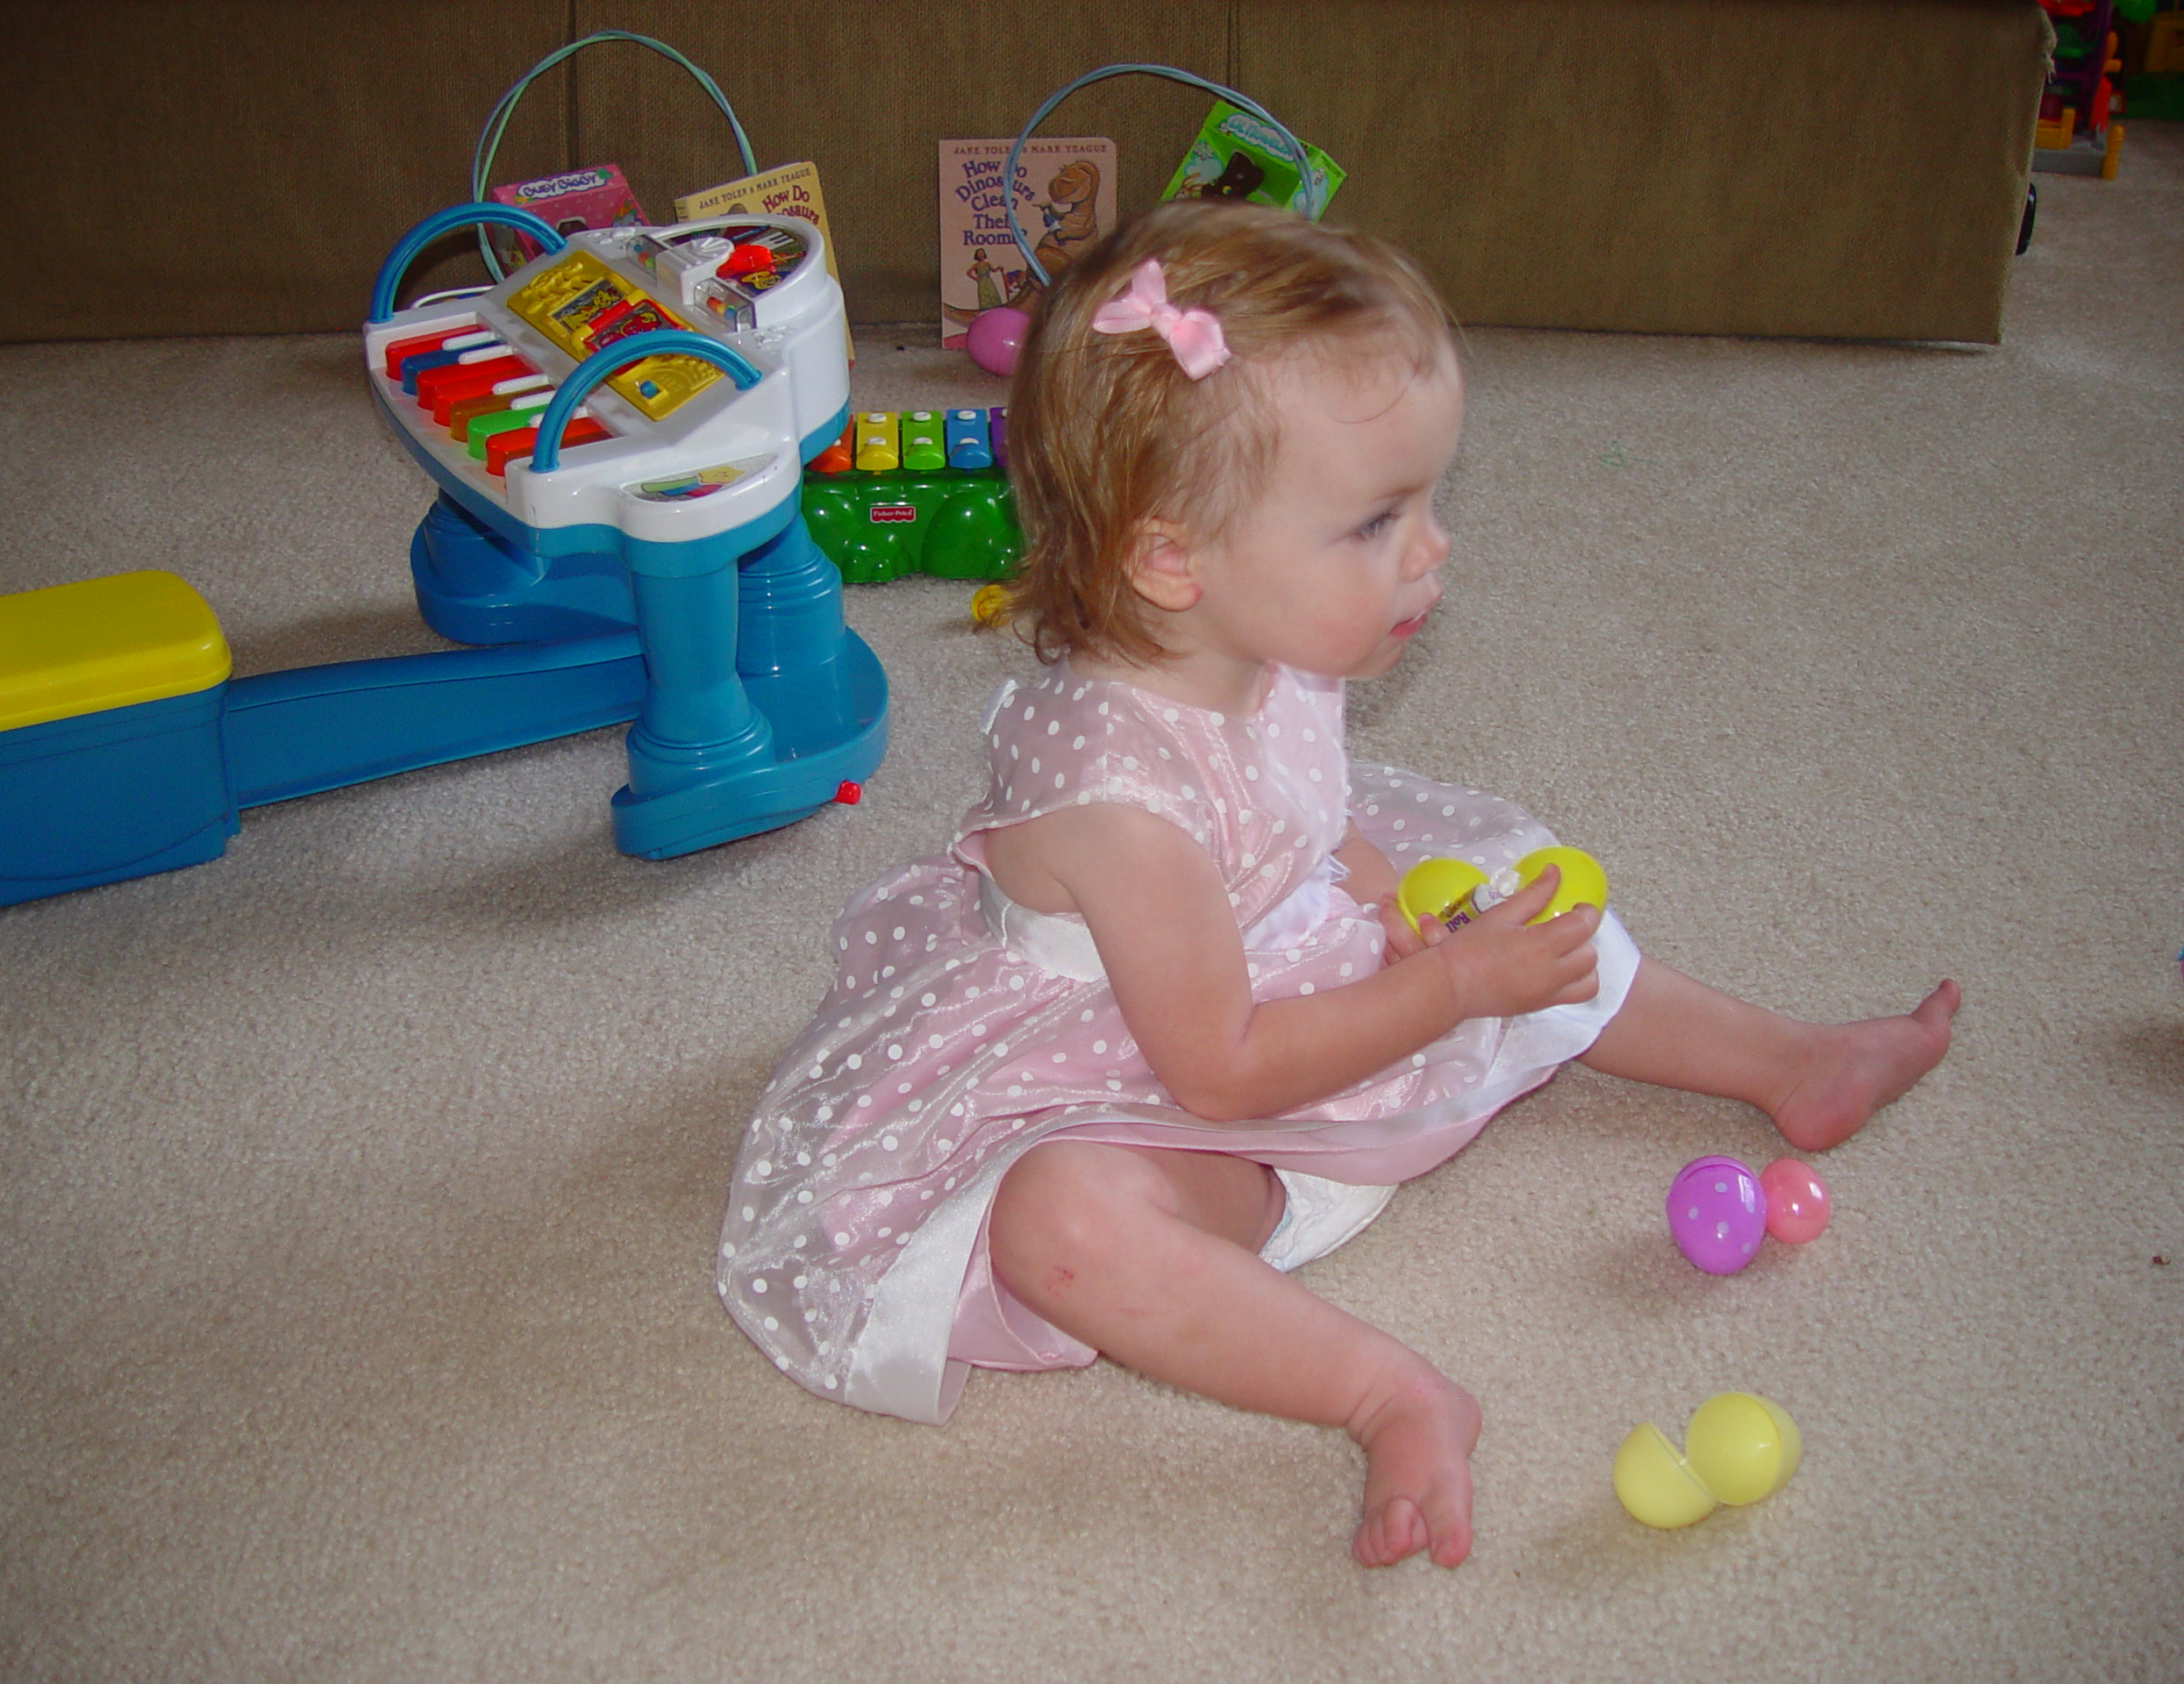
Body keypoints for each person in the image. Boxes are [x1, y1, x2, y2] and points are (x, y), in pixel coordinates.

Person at [717, 199, 1959, 1570]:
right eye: (1375, 521)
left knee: (1513, 900)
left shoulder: (1271, 647)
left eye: (1427, 501)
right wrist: (1448, 989)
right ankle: (1385, 1392)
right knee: (1060, 1228)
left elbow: (1314, 822)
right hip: (1141, 1077)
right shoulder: (1117, 806)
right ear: (1173, 560)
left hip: (1274, 963)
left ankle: (1792, 1061)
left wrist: (1395, 905)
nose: (1432, 550)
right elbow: (1224, 1072)